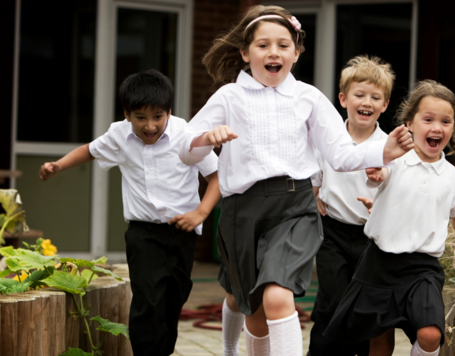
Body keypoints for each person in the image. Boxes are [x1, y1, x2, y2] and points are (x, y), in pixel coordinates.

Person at [178, 5, 414, 355]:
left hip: (294, 207)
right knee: (255, 314)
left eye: (283, 45)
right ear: (246, 53)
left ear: (296, 52)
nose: (273, 52)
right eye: (263, 45)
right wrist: (205, 139)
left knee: (277, 297)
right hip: (242, 212)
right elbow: (185, 149)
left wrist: (386, 152)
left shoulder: (309, 98)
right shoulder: (229, 96)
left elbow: (340, 155)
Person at [38, 69, 221, 356]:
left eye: (157, 117)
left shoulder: (186, 136)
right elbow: (89, 150)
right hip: (143, 232)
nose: (150, 126)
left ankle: (161, 351)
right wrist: (59, 165)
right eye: (141, 118)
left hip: (183, 232)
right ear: (127, 114)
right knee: (148, 299)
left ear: (169, 112)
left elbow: (216, 177)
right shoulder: (119, 135)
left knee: (173, 299)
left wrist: (201, 213)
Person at [324, 80, 455, 356]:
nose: (436, 127)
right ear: (410, 124)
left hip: (422, 268)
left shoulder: (454, 177)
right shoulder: (395, 159)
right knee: (380, 342)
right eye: (428, 119)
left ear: (453, 128)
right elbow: (382, 173)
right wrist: (378, 173)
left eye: (445, 121)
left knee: (430, 334)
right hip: (380, 263)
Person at [308, 55, 395, 356]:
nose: (366, 102)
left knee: (361, 304)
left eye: (375, 97)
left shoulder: (389, 146)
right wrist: (314, 195)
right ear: (344, 99)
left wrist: (382, 176)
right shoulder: (329, 140)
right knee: (333, 297)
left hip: (370, 238)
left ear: (384, 105)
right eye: (360, 95)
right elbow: (315, 177)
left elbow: (396, 185)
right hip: (331, 233)